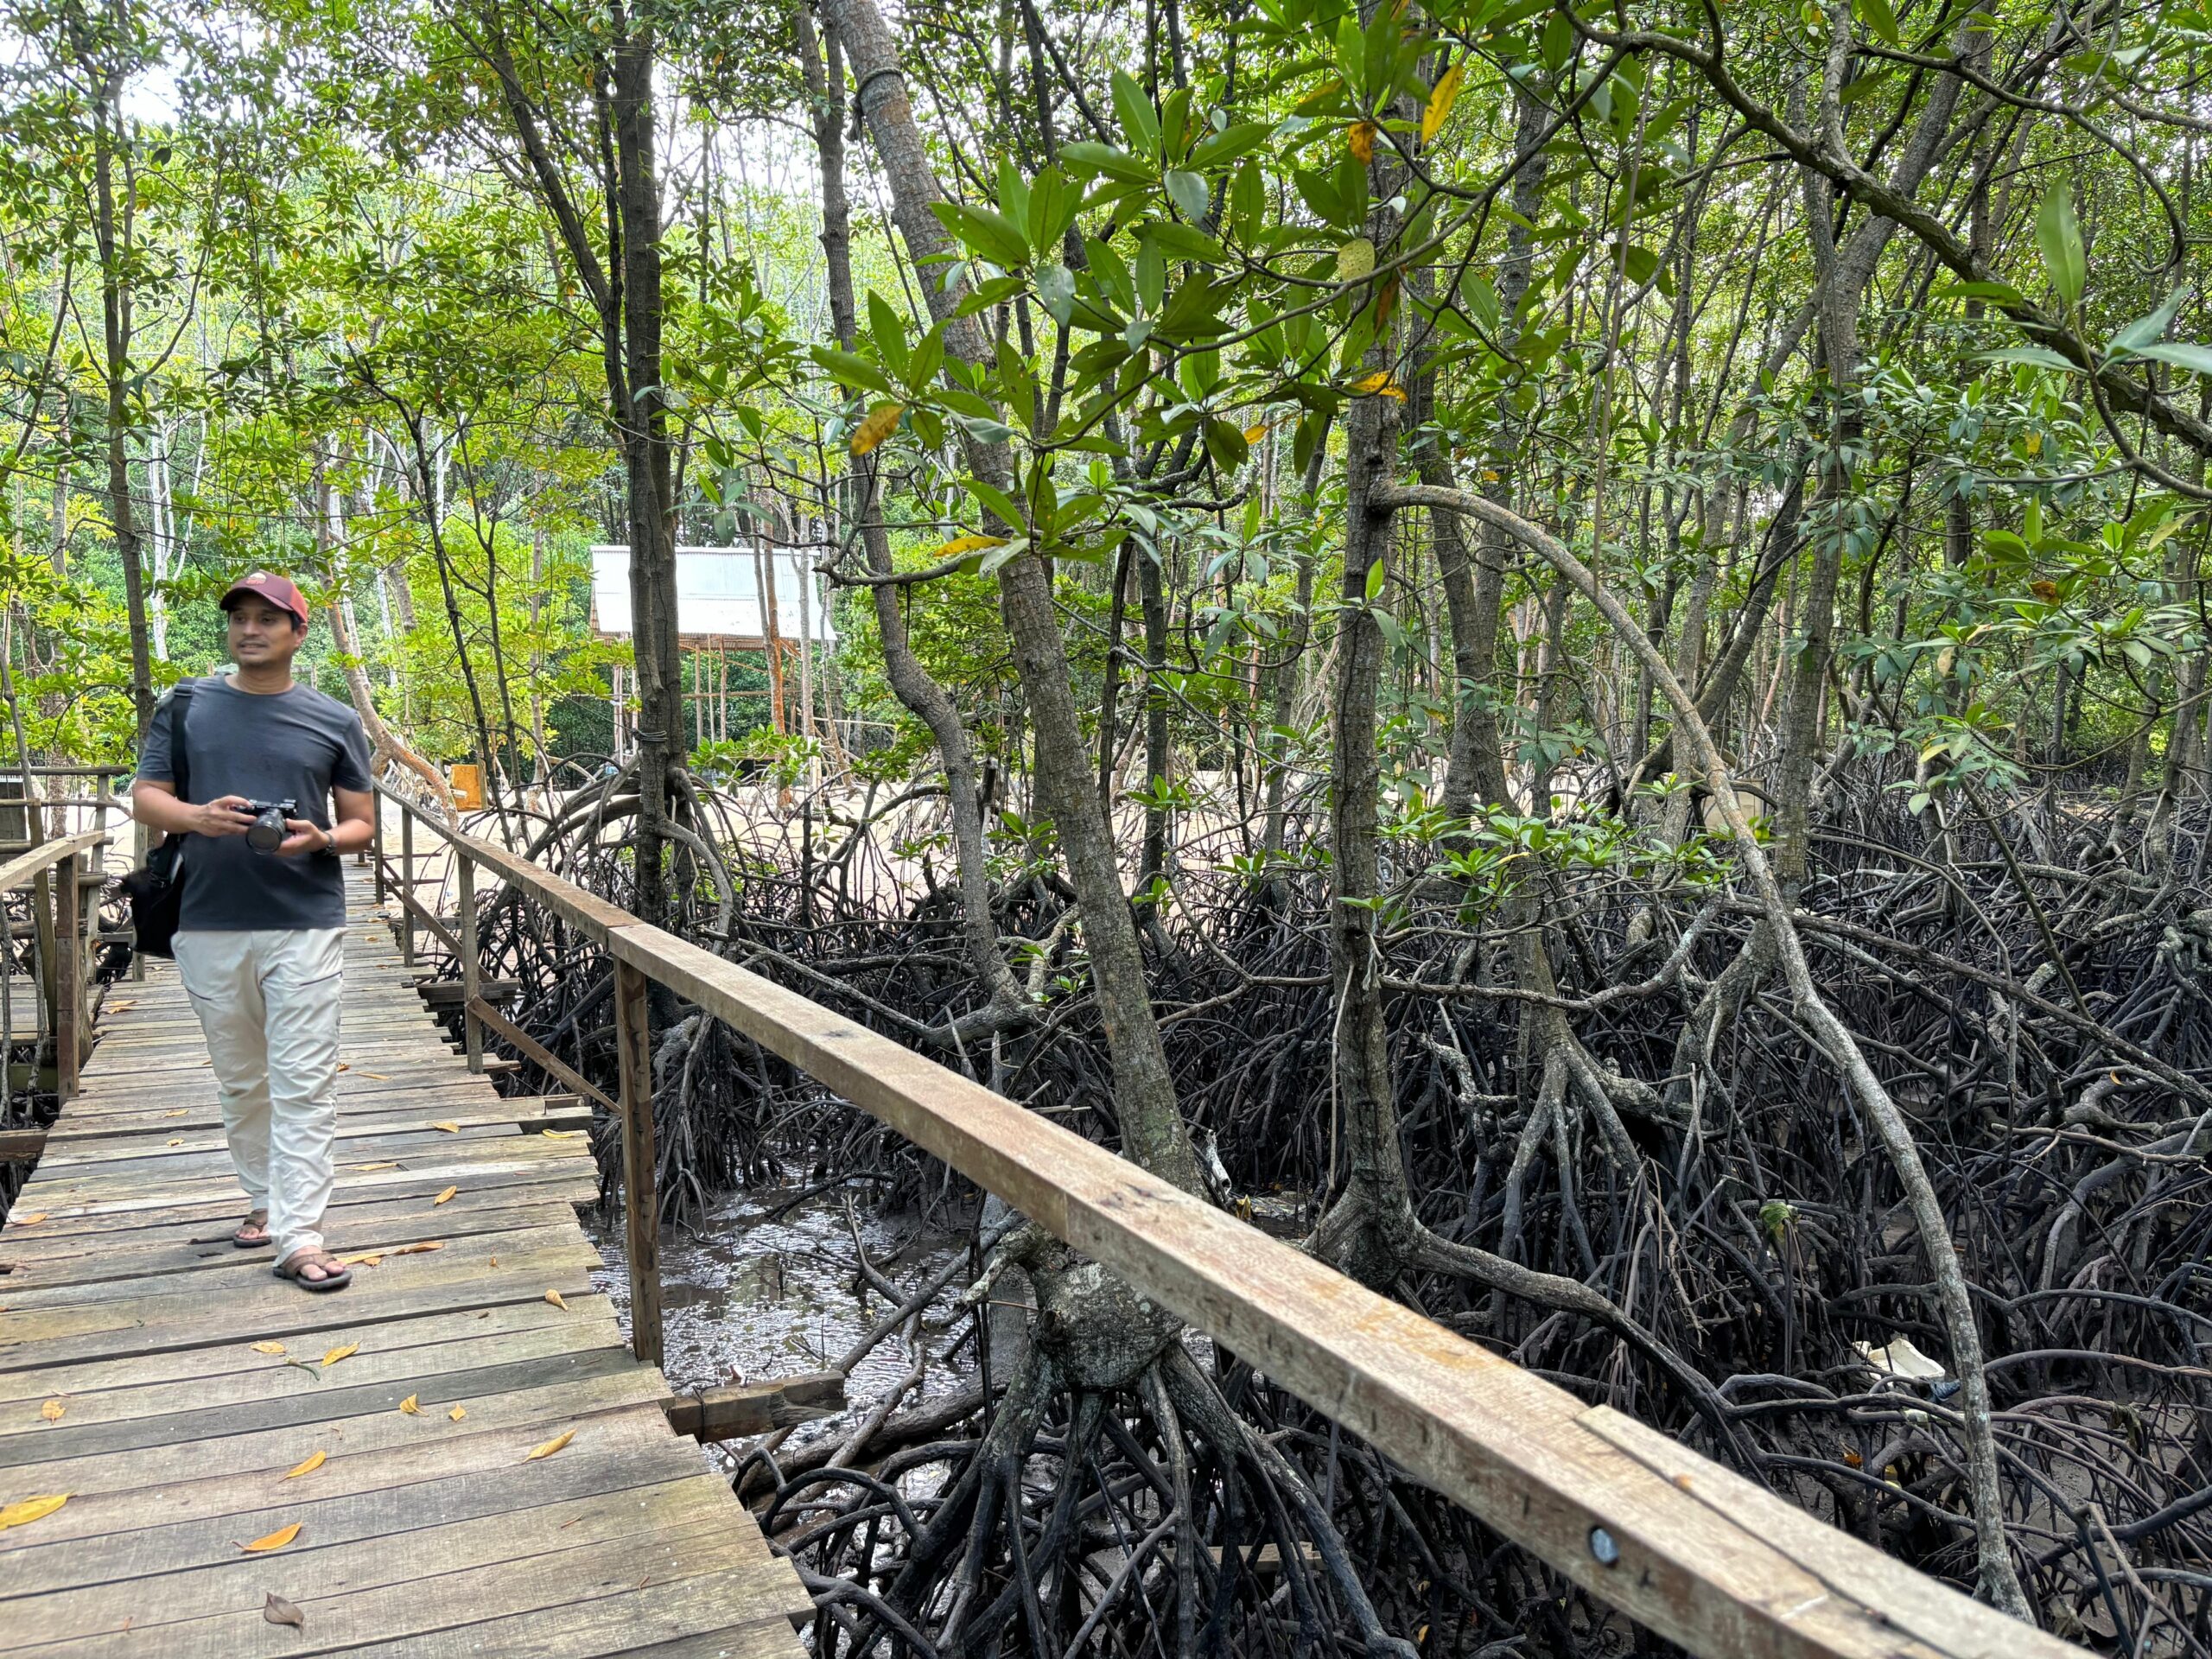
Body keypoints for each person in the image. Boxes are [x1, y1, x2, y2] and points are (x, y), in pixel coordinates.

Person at [131, 572, 376, 1293]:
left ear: (299, 633)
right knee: (242, 1081)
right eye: (239, 616)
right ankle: (266, 1204)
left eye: (268, 619)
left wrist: (318, 839)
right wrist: (199, 817)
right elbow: (146, 795)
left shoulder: (334, 719)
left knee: (302, 1083)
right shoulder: (186, 706)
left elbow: (362, 823)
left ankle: (299, 1236)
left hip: (305, 923)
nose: (250, 629)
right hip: (206, 921)